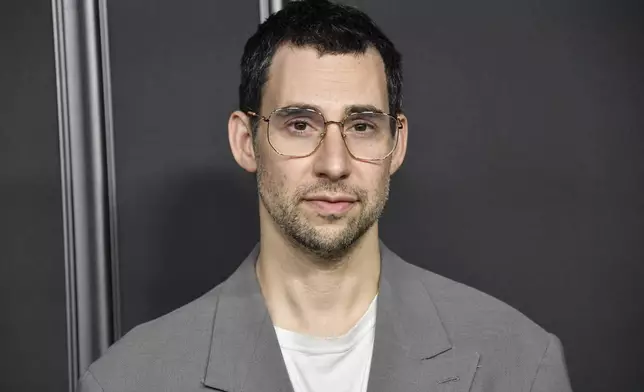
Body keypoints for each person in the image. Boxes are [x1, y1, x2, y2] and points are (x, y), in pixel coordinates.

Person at [79, 1, 573, 391]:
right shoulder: (128, 381)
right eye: (299, 124)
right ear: (245, 141)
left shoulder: (521, 364)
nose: (334, 163)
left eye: (362, 126)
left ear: (395, 144)